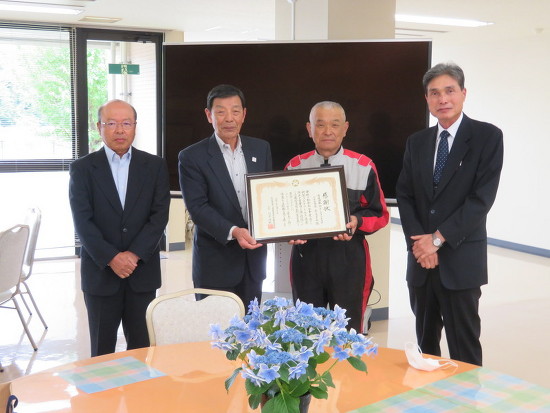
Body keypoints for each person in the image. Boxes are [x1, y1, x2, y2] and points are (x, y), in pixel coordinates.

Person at [396, 63, 504, 366]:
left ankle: (467, 394)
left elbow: (480, 200)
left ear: (463, 93)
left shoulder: (487, 137)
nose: (442, 99)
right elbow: (405, 195)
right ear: (426, 99)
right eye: (434, 93)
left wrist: (437, 240)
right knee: (425, 347)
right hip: (422, 262)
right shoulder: (417, 142)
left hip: (460, 260)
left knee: (464, 348)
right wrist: (420, 246)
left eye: (449, 91)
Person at [69, 99, 170, 357]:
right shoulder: (82, 169)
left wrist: (133, 255)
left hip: (142, 272)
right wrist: (112, 258)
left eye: (126, 123)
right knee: (102, 352)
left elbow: (159, 216)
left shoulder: (155, 166)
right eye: (111, 123)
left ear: (135, 126)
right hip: (101, 274)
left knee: (142, 349)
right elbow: (82, 221)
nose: (120, 130)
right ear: (99, 127)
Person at [285, 101, 389, 332]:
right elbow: (284, 215)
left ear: (345, 128)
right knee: (306, 330)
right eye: (320, 124)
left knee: (348, 331)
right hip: (306, 258)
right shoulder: (294, 167)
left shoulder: (363, 166)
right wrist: (288, 232)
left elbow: (380, 214)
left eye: (334, 124)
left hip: (348, 259)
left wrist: (357, 222)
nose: (328, 131)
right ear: (309, 129)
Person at [178, 84, 272, 308]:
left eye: (235, 111)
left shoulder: (261, 149)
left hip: (253, 263)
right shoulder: (192, 157)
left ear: (244, 114)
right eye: (221, 111)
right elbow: (198, 208)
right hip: (215, 265)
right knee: (216, 328)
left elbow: (268, 197)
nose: (229, 118)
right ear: (209, 115)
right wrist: (235, 231)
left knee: (251, 326)